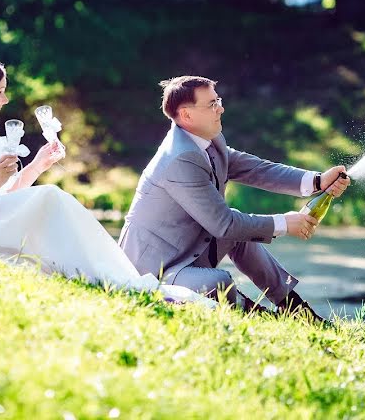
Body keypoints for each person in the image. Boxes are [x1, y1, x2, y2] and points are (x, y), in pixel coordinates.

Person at [0, 53, 213, 307]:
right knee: (49, 197)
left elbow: (5, 197)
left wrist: (38, 164)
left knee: (47, 196)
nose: (5, 99)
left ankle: (112, 273)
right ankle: (103, 272)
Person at [119, 76, 351, 321]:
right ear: (186, 115)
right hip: (156, 270)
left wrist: (317, 181)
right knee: (219, 281)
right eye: (211, 104)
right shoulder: (180, 158)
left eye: (217, 100)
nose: (221, 108)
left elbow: (256, 169)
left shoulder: (209, 139)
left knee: (242, 235)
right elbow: (223, 224)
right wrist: (285, 223)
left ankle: (295, 309)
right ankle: (261, 316)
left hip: (189, 252)